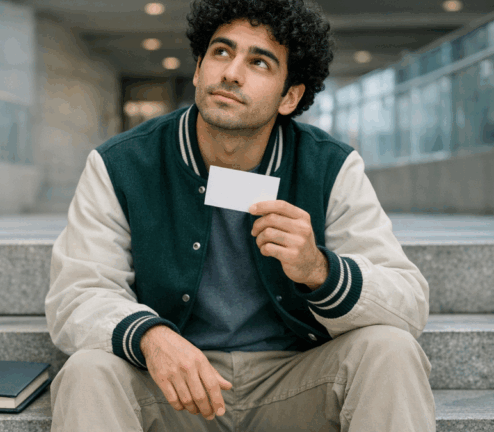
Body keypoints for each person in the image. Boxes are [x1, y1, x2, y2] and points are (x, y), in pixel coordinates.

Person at [45, 0, 434, 430]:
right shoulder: (121, 163)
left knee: (391, 349)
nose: (231, 72)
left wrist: (318, 269)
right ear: (197, 69)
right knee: (86, 371)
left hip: (294, 382)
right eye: (221, 52)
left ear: (290, 96)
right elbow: (77, 294)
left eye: (260, 62)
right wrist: (149, 337)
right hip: (174, 387)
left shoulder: (329, 167)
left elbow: (408, 302)